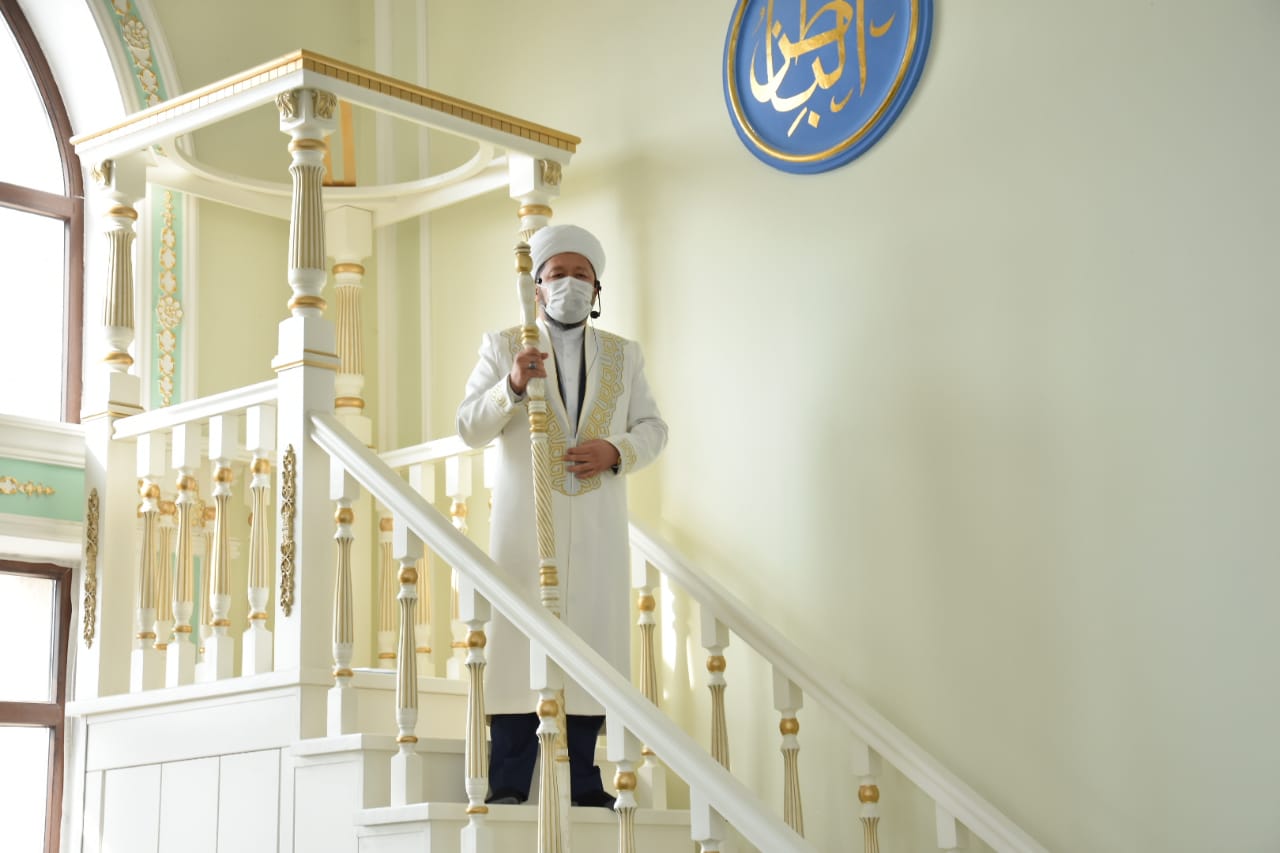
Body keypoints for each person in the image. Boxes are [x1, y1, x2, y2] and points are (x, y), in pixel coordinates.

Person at [456, 224, 668, 808]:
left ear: (597, 287)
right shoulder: (504, 345)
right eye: (557, 274)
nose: (569, 284)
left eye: (580, 275)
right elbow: (468, 426)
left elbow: (654, 428)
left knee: (592, 646)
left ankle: (583, 781)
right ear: (537, 287)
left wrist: (616, 450)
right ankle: (508, 781)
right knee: (518, 648)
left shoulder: (624, 355)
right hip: (527, 527)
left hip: (597, 524)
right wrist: (512, 385)